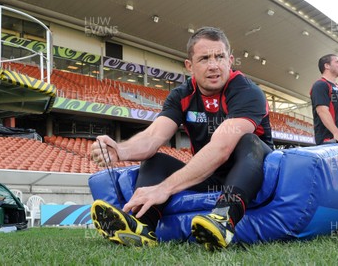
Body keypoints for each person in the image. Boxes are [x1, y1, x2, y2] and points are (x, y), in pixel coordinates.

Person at [89, 27, 273, 249]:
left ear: (230, 60)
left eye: (220, 57)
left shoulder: (247, 91)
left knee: (247, 140)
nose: (214, 65)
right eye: (204, 58)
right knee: (155, 159)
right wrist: (120, 150)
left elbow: (222, 148)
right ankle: (142, 227)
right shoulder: (181, 95)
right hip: (212, 175)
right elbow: (153, 136)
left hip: (256, 171)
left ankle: (223, 218)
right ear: (190, 65)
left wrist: (164, 188)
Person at [310, 54, 338, 145]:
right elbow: (322, 111)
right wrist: (336, 133)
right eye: (337, 61)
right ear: (327, 66)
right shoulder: (320, 85)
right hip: (330, 140)